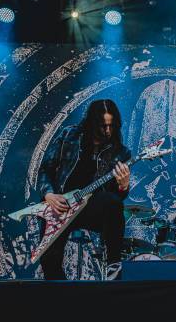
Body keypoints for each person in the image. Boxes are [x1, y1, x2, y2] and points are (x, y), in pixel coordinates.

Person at [37, 99, 131, 280]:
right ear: (92, 123)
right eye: (103, 126)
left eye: (112, 126)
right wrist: (48, 194)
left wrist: (123, 185)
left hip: (90, 206)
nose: (108, 131)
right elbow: (45, 168)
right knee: (49, 261)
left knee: (113, 204)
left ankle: (114, 264)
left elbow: (115, 195)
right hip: (60, 205)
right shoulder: (69, 135)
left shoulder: (120, 152)